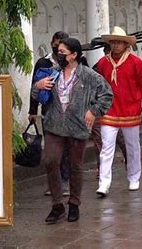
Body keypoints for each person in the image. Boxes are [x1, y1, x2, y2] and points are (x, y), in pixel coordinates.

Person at [32, 37, 112, 223]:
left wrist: (94, 111)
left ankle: (74, 203)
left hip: (77, 127)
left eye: (62, 53)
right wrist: (38, 86)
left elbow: (107, 94)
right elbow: (36, 94)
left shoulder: (88, 75)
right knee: (51, 160)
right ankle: (57, 204)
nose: (58, 55)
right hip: (54, 125)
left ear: (74, 55)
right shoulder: (53, 73)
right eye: (57, 51)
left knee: (76, 166)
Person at [95, 26, 142, 196]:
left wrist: (135, 99)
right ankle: (104, 183)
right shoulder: (103, 62)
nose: (116, 45)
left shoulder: (136, 62)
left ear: (126, 45)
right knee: (106, 147)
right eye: (113, 42)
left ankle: (134, 177)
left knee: (132, 146)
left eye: (120, 42)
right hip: (110, 110)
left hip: (130, 109)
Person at [28, 31, 72, 196]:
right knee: (51, 152)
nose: (58, 46)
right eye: (56, 42)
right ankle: (53, 183)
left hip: (68, 114)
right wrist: (32, 111)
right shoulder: (43, 63)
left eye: (62, 44)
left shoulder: (74, 61)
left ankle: (66, 182)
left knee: (67, 150)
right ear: (52, 42)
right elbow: (34, 87)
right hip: (48, 112)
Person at [90, 43, 127, 178]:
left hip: (117, 108)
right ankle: (102, 169)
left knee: (121, 138)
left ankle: (130, 161)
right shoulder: (98, 67)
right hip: (100, 108)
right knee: (99, 139)